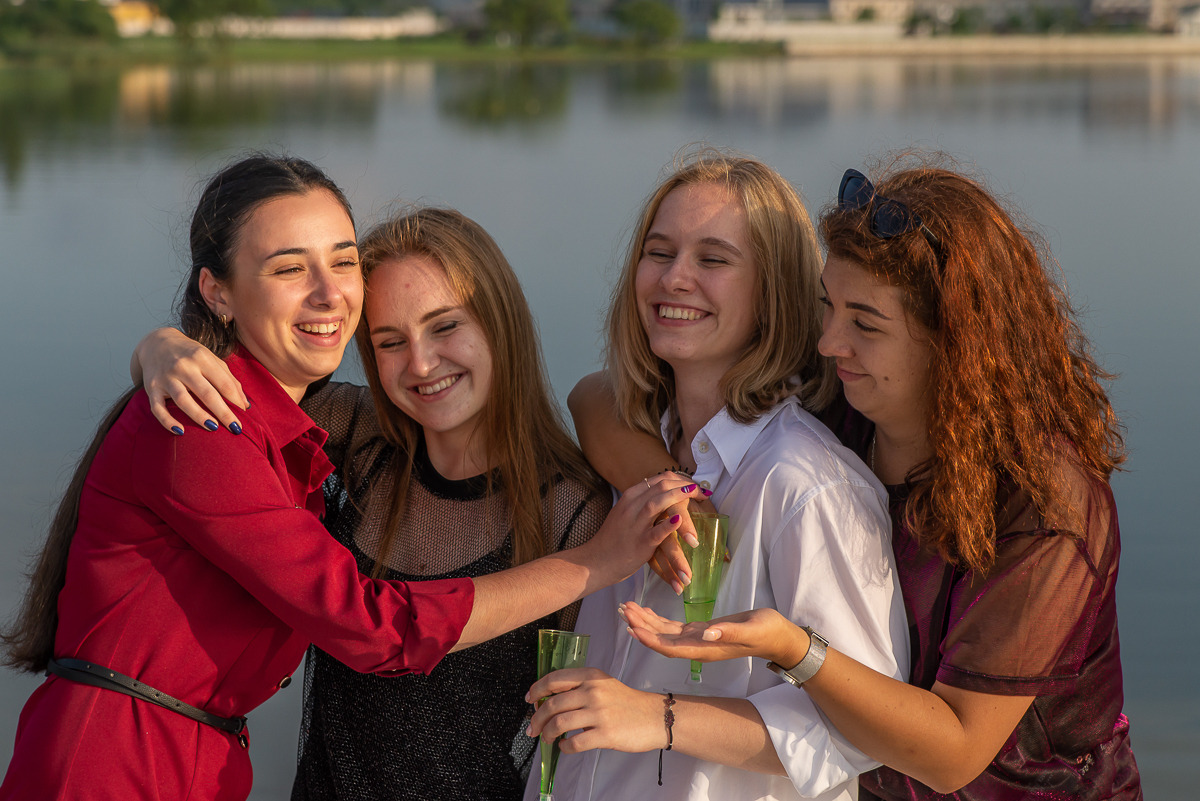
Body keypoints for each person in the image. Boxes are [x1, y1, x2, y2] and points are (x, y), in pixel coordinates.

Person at [0, 155, 701, 801]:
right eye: (286, 269)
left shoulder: (314, 425)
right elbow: (374, 627)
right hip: (112, 766)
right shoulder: (215, 424)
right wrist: (592, 563)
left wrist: (160, 345)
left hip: (191, 759)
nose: (328, 293)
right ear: (217, 291)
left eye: (341, 260)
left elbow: (592, 398)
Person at [597, 158, 1143, 800]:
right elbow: (596, 399)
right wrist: (669, 498)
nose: (828, 342)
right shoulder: (845, 403)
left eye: (865, 323)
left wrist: (795, 649)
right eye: (829, 306)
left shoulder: (1046, 501)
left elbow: (954, 753)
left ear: (956, 342)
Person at [522, 150, 909, 801]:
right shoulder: (626, 446)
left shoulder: (806, 485)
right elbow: (593, 395)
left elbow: (861, 733)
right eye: (659, 251)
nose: (675, 277)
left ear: (775, 290)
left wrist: (656, 716)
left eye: (713, 259)